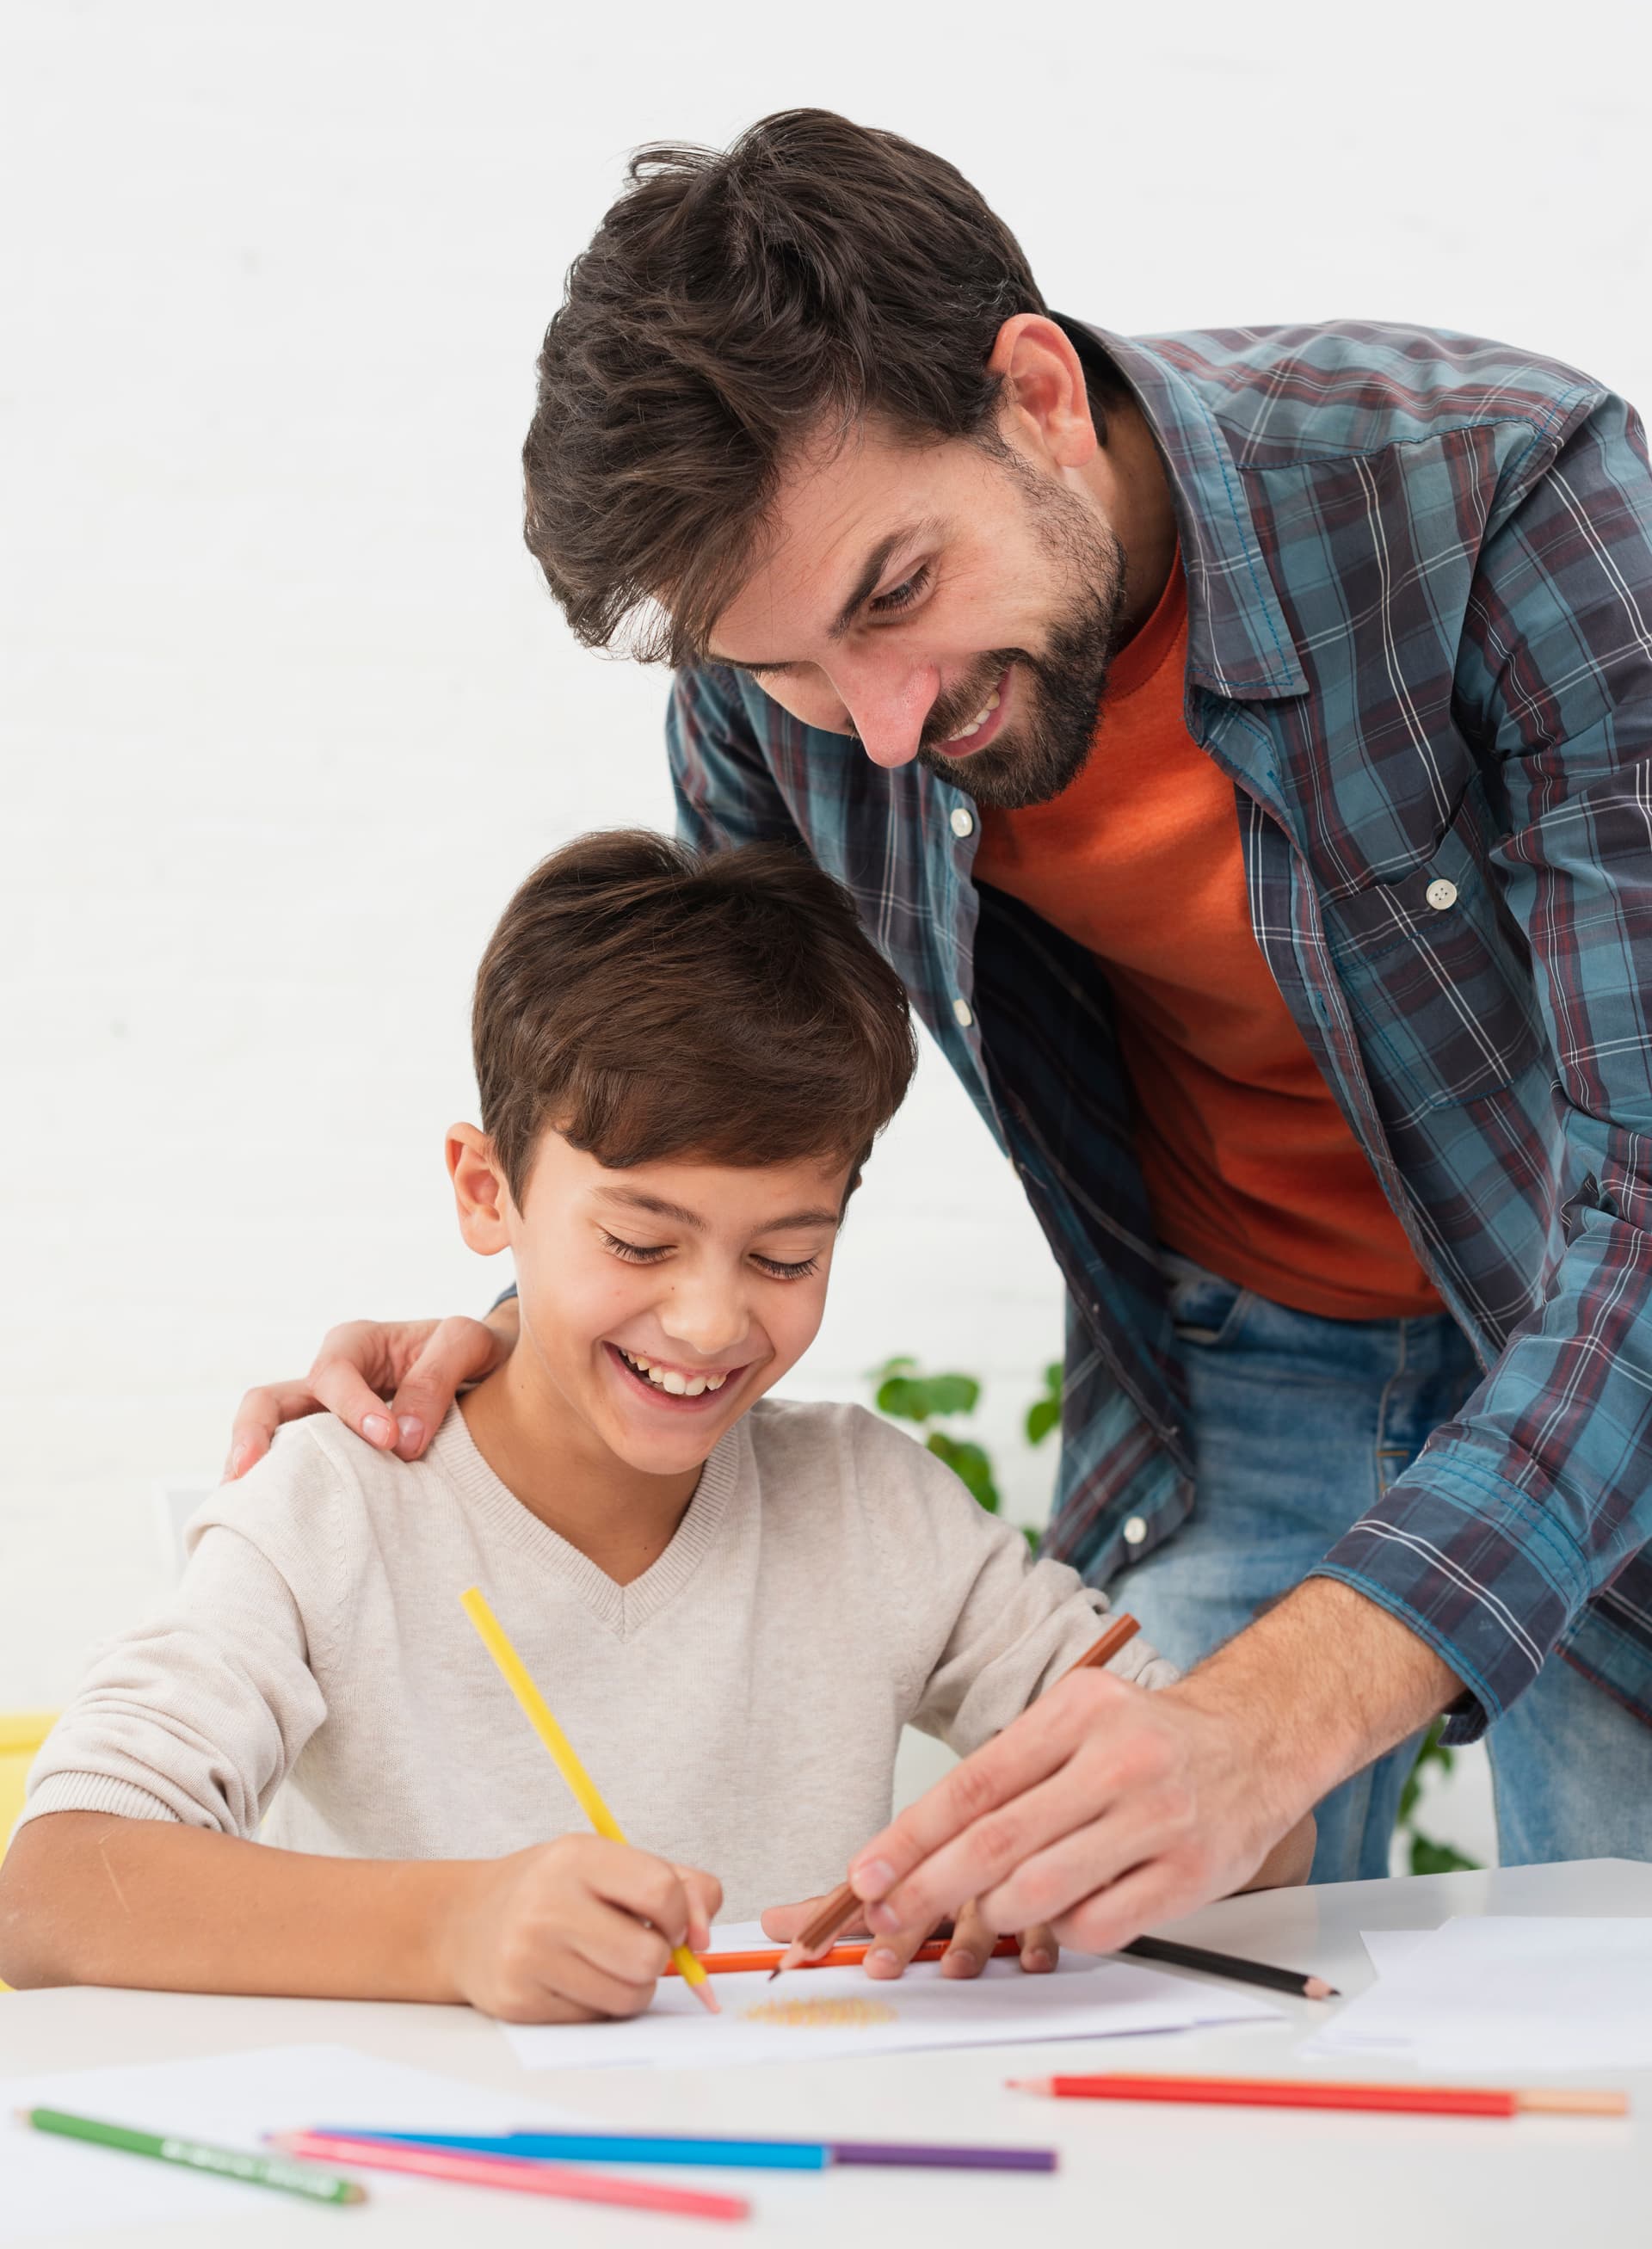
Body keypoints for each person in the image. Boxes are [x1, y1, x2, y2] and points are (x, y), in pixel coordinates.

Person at [226, 110, 1652, 1953]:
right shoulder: (782, 708)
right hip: (1231, 1361)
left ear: (1038, 397)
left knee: (1610, 1990)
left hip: (1594, 1327)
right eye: (792, 667)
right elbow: (727, 1096)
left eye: (896, 593)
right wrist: (524, 1343)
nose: (885, 727)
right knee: (1147, 1967)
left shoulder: (1506, 501)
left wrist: (1267, 1726)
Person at [0, 835, 1308, 2016]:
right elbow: (48, 1892)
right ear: (487, 1192)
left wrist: (1055, 1857)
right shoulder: (334, 1507)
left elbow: (1264, 1826)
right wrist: (454, 1929)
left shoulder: (874, 1508)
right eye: (639, 1242)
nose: (707, 1320)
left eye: (787, 1258)